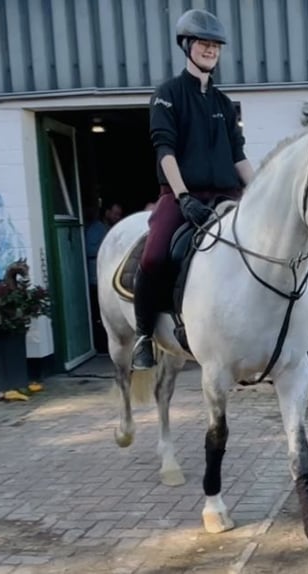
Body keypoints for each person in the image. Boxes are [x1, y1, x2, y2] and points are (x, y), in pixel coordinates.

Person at [132, 8, 255, 370]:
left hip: (226, 195)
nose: (210, 50)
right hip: (182, 195)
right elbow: (164, 150)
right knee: (154, 255)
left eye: (215, 45)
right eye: (203, 43)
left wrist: (261, 191)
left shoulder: (222, 103)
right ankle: (143, 334)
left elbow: (238, 157)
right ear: (186, 45)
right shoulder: (168, 94)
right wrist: (183, 196)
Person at [85, 200, 123, 353]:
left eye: (119, 215)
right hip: (96, 278)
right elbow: (88, 250)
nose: (118, 218)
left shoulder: (110, 228)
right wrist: (107, 248)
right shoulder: (97, 229)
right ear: (106, 213)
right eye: (115, 214)